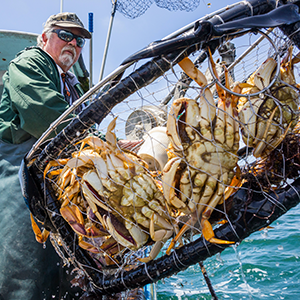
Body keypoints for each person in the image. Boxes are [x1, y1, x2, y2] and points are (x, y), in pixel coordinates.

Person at [0, 12, 91, 300]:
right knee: (24, 271)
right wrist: (99, 144)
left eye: (78, 41)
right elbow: (46, 114)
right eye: (64, 35)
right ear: (44, 38)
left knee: (60, 272)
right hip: (20, 178)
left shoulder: (74, 84)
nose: (73, 44)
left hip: (56, 187)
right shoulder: (31, 62)